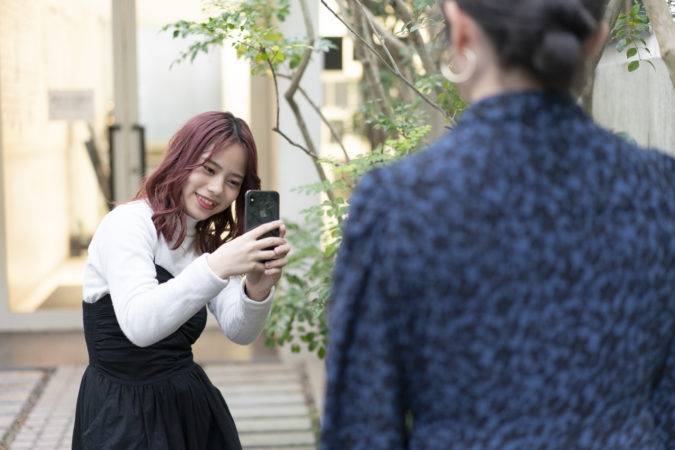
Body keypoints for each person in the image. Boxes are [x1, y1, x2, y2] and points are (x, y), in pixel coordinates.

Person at [322, 0, 675, 448]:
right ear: (595, 40)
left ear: (461, 28)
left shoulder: (399, 204)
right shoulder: (658, 191)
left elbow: (360, 428)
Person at [72, 111, 290, 449]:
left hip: (188, 409)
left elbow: (240, 331)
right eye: (209, 169)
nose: (217, 189)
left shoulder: (204, 243)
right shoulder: (127, 224)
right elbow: (140, 325)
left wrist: (257, 288)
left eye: (233, 182)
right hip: (120, 414)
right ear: (181, 159)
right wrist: (216, 266)